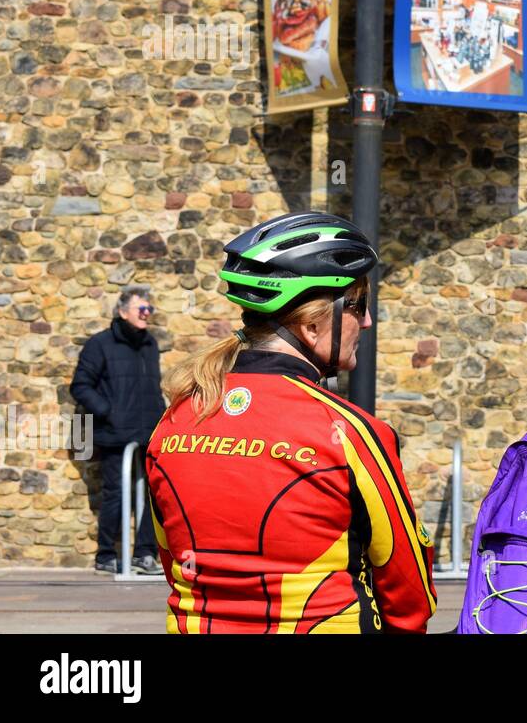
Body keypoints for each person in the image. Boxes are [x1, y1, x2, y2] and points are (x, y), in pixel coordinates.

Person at [145, 212, 436, 633]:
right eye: (357, 305)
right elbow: (405, 578)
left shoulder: (174, 420)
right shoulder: (347, 430)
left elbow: (173, 558)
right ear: (313, 324)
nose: (367, 321)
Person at [69, 287, 165, 574]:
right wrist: (109, 412)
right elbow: (80, 386)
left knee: (153, 493)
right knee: (116, 493)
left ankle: (145, 554)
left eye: (149, 309)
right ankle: (106, 555)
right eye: (141, 309)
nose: (147, 314)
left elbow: (152, 388)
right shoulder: (100, 344)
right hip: (115, 432)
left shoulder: (149, 344)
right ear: (123, 312)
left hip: (148, 429)